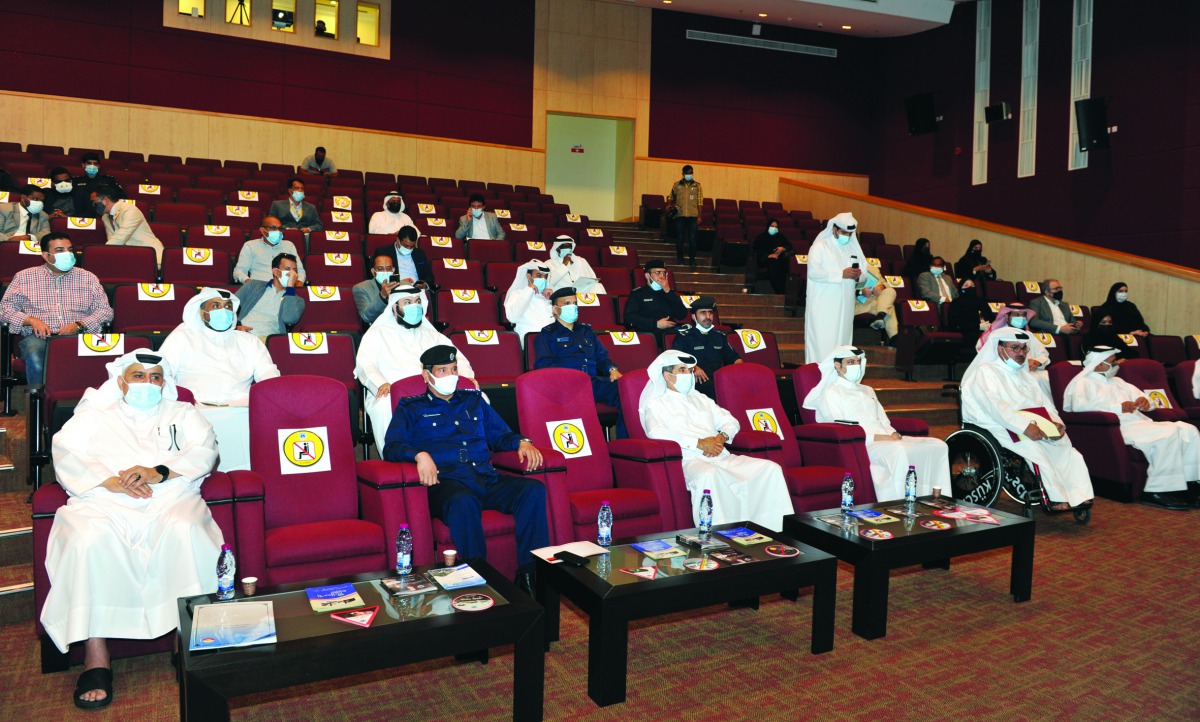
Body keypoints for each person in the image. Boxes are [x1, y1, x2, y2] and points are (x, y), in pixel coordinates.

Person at [41, 351, 223, 709]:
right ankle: (96, 654)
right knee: (87, 540)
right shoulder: (93, 415)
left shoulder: (182, 413)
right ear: (121, 381)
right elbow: (65, 453)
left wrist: (160, 471)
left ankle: (182, 642)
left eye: (156, 377)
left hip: (170, 498)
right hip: (104, 502)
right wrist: (108, 481)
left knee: (186, 531)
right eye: (138, 376)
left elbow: (205, 449)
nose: (148, 384)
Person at [384, 344, 548, 592]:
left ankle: (529, 576)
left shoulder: (473, 400)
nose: (450, 375)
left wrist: (522, 442)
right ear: (426, 375)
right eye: (442, 370)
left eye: (453, 369)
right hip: (447, 485)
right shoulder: (411, 407)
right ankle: (480, 581)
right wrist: (419, 454)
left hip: (484, 478)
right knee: (463, 502)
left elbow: (501, 436)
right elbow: (392, 447)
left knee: (532, 490)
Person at [639, 350, 793, 530]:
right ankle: (718, 538)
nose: (688, 375)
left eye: (689, 370)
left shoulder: (701, 399)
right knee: (709, 476)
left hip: (721, 455)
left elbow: (731, 421)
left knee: (770, 469)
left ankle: (773, 531)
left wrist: (722, 437)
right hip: (689, 459)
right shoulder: (656, 403)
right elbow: (656, 431)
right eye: (682, 370)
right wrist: (698, 443)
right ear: (667, 375)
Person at [961, 327, 1094, 510]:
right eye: (1015, 348)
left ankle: (1079, 494)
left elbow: (1045, 403)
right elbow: (996, 408)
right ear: (1000, 349)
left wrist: (1056, 423)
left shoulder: (1025, 373)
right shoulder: (986, 372)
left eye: (1024, 348)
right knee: (1035, 450)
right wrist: (1024, 427)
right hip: (998, 424)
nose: (1021, 353)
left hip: (1032, 421)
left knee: (1064, 445)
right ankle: (1055, 497)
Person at [804, 346, 951, 501]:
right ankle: (902, 503)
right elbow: (839, 427)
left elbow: (883, 420)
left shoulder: (868, 390)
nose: (856, 365)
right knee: (899, 451)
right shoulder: (830, 392)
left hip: (888, 439)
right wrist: (879, 438)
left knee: (938, 445)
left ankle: (938, 500)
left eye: (858, 361)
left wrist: (892, 433)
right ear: (837, 365)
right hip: (863, 444)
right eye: (851, 362)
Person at [159, 288, 281, 471]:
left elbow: (268, 375)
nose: (223, 311)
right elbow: (162, 374)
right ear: (202, 312)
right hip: (196, 413)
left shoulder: (249, 341)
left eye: (228, 306)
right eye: (216, 306)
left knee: (252, 472)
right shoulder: (181, 338)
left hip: (243, 413)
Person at [1064, 347, 1198, 510]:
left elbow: (1146, 399)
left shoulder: (1118, 382)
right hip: (1118, 427)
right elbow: (1079, 406)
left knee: (1189, 430)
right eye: (1112, 362)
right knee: (1167, 434)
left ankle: (1191, 484)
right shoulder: (1083, 382)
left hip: (1139, 422)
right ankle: (1156, 491)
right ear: (1098, 365)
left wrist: (1146, 402)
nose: (1116, 365)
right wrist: (1118, 407)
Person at [355, 286, 476, 453]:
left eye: (418, 301)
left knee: (477, 397)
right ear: (394, 307)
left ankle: (470, 455)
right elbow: (365, 365)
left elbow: (459, 359)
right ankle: (395, 459)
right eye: (408, 302)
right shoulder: (376, 334)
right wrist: (381, 384)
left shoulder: (433, 335)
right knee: (385, 405)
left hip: (435, 391)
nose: (415, 306)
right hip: (392, 392)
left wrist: (466, 379)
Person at [0, 233, 112, 384]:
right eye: (60, 250)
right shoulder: (24, 277)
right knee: (36, 356)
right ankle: (41, 404)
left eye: (70, 249)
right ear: (46, 256)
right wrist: (30, 320)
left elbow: (105, 311)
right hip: (40, 339)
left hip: (81, 337)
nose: (67, 254)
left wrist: (79, 325)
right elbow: (4, 310)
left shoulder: (88, 277)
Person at [534, 287, 625, 436]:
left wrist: (611, 369)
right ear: (556, 310)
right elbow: (543, 364)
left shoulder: (586, 331)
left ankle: (625, 445)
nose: (573, 307)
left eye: (575, 303)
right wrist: (567, 379)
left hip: (593, 383)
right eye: (567, 303)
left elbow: (602, 358)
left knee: (626, 392)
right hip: (568, 386)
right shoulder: (547, 334)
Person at [805, 213, 866, 363]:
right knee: (823, 342)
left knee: (843, 343)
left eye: (850, 234)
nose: (847, 236)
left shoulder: (854, 248)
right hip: (823, 305)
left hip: (845, 306)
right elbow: (813, 273)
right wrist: (841, 274)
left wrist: (858, 275)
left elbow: (864, 274)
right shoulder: (820, 246)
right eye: (844, 233)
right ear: (834, 229)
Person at [670, 296, 741, 400]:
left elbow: (734, 358)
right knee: (713, 389)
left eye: (710, 313)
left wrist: (740, 368)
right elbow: (675, 358)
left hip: (717, 378)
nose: (708, 316)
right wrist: (693, 367)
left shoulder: (719, 336)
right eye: (703, 313)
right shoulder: (684, 336)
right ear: (694, 317)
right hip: (695, 380)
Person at [977, 303, 1051, 396]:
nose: (1021, 318)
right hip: (1006, 374)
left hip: (1031, 373)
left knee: (1046, 378)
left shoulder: (1029, 335)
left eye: (1023, 315)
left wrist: (1038, 362)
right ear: (1007, 317)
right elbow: (987, 357)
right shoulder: (997, 334)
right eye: (1016, 315)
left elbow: (1043, 354)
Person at [234, 253, 305, 339]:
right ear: (275, 272)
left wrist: (290, 287)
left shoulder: (297, 300)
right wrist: (236, 326)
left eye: (295, 271)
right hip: (241, 334)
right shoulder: (253, 285)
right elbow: (231, 306)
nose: (292, 274)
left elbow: (289, 319)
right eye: (287, 269)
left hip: (266, 338)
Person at [92, 185, 164, 264]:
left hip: (152, 257)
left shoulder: (130, 210)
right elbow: (112, 239)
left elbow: (122, 235)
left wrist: (99, 252)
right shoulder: (105, 217)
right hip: (131, 257)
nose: (93, 206)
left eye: (95, 202)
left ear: (105, 200)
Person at [623, 260, 687, 345]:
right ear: (647, 276)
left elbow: (682, 314)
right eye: (658, 273)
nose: (662, 276)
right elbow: (629, 317)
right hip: (650, 333)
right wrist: (655, 323)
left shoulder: (669, 293)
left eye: (664, 273)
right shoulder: (638, 294)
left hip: (671, 333)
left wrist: (668, 291)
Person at [233, 216, 307, 284]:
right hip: (259, 288)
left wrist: (298, 283)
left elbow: (300, 271)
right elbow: (239, 271)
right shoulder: (250, 246)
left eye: (280, 229)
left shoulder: (289, 245)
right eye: (273, 228)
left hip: (285, 288)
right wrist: (249, 283)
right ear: (262, 230)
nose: (278, 231)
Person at [504, 261, 554, 346]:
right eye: (539, 275)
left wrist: (553, 300)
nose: (543, 279)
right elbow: (512, 318)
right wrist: (529, 290)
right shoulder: (517, 294)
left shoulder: (547, 296)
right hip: (528, 339)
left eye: (545, 277)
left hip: (552, 339)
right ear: (529, 276)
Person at [353, 252, 402, 324]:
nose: (385, 272)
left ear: (393, 270)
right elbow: (366, 317)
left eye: (389, 268)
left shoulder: (404, 285)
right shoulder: (362, 288)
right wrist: (382, 296)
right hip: (379, 329)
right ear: (373, 272)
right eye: (380, 269)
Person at [666, 164, 702, 266]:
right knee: (680, 238)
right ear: (683, 174)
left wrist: (700, 216)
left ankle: (692, 260)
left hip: (693, 216)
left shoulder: (697, 186)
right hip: (680, 215)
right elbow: (671, 197)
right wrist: (669, 205)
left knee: (692, 239)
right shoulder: (676, 185)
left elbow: (700, 202)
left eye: (691, 173)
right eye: (688, 173)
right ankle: (680, 259)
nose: (690, 175)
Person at [71, 152, 124, 218]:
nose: (92, 166)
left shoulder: (109, 180)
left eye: (95, 163)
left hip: (104, 217)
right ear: (83, 165)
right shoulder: (75, 181)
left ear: (99, 166)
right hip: (80, 217)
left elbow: (121, 197)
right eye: (89, 163)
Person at [946, 277, 993, 349]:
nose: (970, 287)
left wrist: (991, 325)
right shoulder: (956, 303)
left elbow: (991, 317)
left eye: (972, 285)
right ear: (961, 289)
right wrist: (978, 326)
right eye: (966, 285)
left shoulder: (981, 301)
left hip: (986, 331)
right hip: (967, 333)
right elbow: (955, 325)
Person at [751, 219, 793, 294]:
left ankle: (788, 290)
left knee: (786, 262)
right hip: (765, 259)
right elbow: (756, 250)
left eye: (776, 227)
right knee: (774, 262)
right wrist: (769, 255)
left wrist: (783, 248)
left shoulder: (780, 236)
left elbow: (789, 246)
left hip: (780, 259)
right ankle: (779, 290)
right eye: (772, 226)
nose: (774, 228)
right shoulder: (761, 237)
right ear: (768, 226)